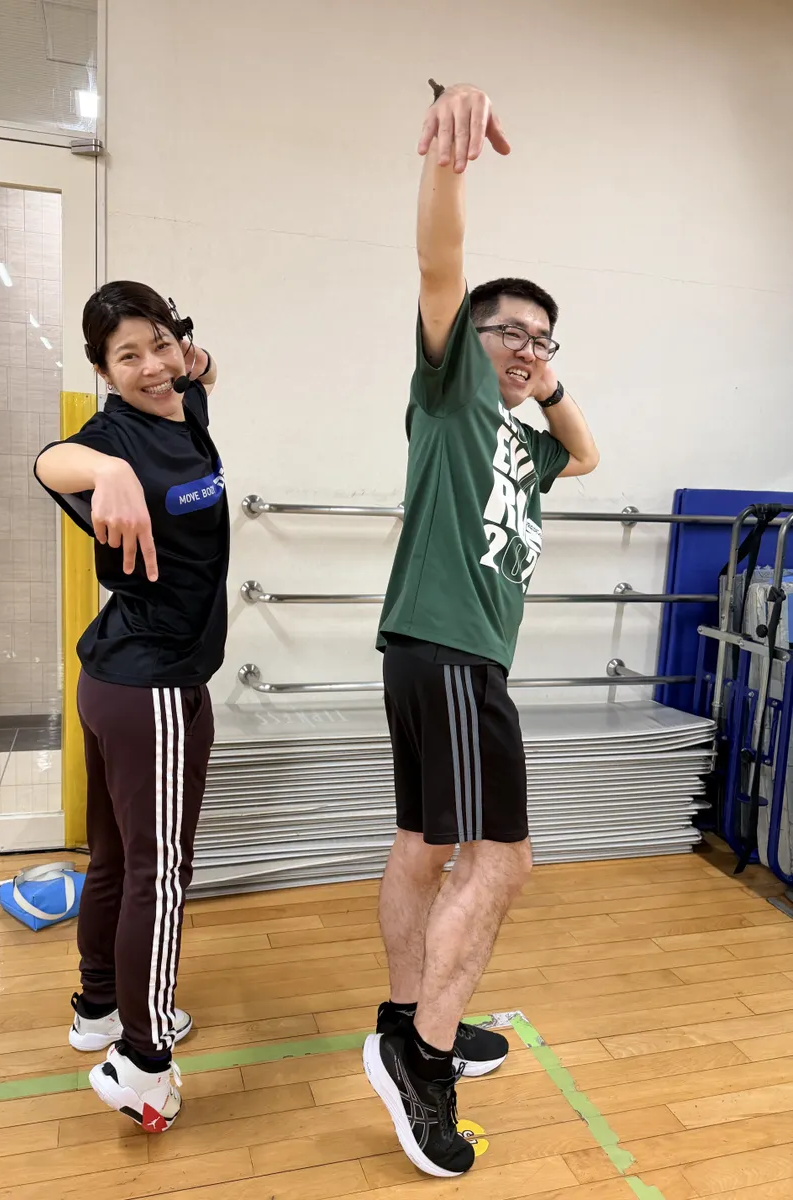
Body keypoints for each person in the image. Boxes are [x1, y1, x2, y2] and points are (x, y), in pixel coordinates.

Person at [362, 81, 600, 1178]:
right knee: (503, 860)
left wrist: (550, 387)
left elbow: (587, 454)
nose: (526, 349)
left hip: (437, 655)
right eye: (511, 332)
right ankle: (423, 1057)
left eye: (543, 339)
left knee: (425, 844)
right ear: (475, 337)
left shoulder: (525, 439)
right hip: (451, 653)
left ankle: (407, 1015)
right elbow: (438, 266)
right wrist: (447, 162)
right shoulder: (453, 392)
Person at [33, 280, 226, 1133]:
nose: (151, 366)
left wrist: (193, 359)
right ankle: (144, 1058)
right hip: (150, 687)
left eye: (160, 345)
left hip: (119, 678)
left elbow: (201, 369)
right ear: (102, 372)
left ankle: (98, 1007)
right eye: (127, 356)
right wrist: (105, 469)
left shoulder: (183, 400)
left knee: (114, 858)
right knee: (162, 871)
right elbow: (49, 461)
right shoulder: (112, 436)